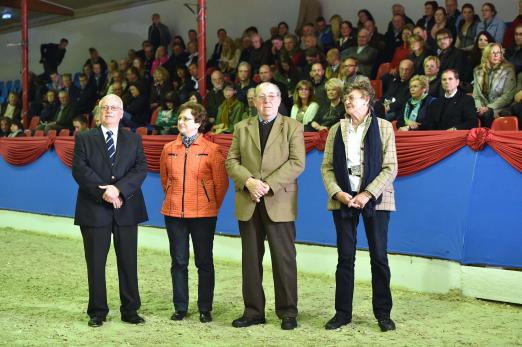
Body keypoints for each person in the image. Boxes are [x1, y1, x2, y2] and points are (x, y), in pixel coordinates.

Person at [225, 82, 305, 330]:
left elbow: (297, 163)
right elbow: (231, 160)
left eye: (272, 96)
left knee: (284, 259)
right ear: (254, 101)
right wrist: (248, 181)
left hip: (278, 199)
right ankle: (253, 311)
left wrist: (266, 185)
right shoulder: (242, 127)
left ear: (280, 100)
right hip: (248, 199)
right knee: (250, 259)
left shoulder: (293, 126)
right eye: (262, 97)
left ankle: (288, 312)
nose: (267, 101)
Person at [320, 79, 397, 332]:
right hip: (343, 199)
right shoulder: (335, 130)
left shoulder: (384, 127)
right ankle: (342, 313)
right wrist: (337, 192)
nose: (347, 101)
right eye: (346, 98)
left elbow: (390, 167)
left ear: (367, 100)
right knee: (345, 258)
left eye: (352, 98)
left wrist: (367, 194)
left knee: (379, 257)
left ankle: (383, 314)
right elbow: (327, 167)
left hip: (377, 199)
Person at [72, 94, 148, 328]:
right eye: (105, 107)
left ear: (122, 112)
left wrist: (118, 190)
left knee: (128, 260)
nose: (109, 111)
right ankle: (97, 311)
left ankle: (130, 309)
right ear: (99, 111)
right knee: (95, 263)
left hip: (126, 206)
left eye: (114, 107)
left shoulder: (133, 139)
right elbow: (80, 170)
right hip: (94, 208)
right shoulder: (84, 138)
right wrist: (103, 191)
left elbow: (140, 168)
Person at [159, 101, 229, 324]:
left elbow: (221, 184)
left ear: (199, 123)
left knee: (204, 262)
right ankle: (180, 307)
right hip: (173, 213)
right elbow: (165, 180)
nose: (181, 122)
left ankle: (205, 308)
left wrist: (209, 204)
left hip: (203, 215)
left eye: (186, 119)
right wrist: (172, 194)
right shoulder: (168, 148)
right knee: (178, 261)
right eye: (180, 118)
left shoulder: (212, 150)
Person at [473, 43, 516, 127]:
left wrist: (489, 107)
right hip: (482, 107)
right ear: (487, 55)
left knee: (487, 114)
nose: (496, 55)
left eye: (498, 52)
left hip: (500, 107)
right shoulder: (478, 71)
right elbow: (476, 95)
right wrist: (479, 108)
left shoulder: (508, 69)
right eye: (493, 52)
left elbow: (507, 96)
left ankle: (486, 138)